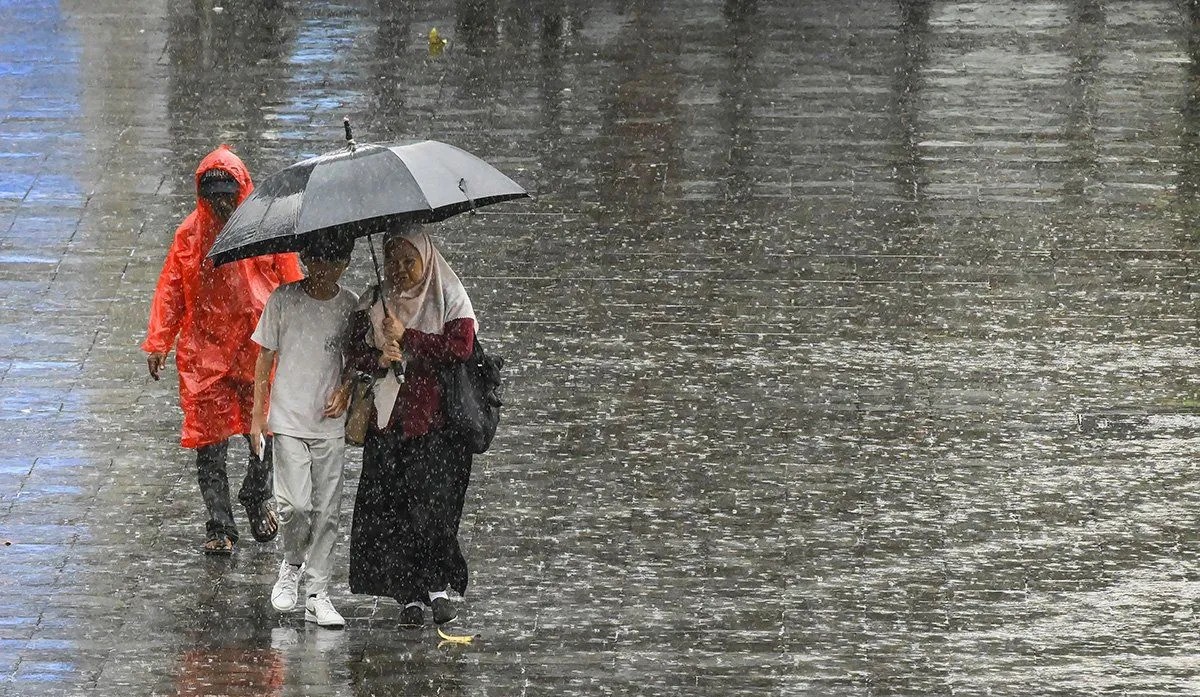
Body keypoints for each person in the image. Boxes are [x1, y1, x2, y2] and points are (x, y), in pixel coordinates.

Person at [142, 145, 304, 554]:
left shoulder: (263, 230)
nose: (220, 206)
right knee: (209, 441)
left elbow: (289, 278)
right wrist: (160, 340)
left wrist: (300, 329)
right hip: (206, 352)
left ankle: (257, 491)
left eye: (227, 197)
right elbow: (172, 289)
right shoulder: (191, 236)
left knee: (262, 426)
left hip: (255, 345)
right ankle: (220, 524)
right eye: (213, 197)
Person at [344, 222, 477, 627]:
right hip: (388, 424)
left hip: (438, 424)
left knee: (434, 508)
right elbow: (352, 354)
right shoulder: (374, 301)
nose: (400, 270)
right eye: (392, 261)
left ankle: (438, 586)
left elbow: (461, 347)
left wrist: (411, 337)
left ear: (427, 258)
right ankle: (409, 595)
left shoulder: (449, 294)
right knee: (394, 510)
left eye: (409, 261)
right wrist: (379, 356)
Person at [250, 232, 358, 629]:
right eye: (317, 260)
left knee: (327, 510)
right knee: (295, 505)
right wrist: (257, 415)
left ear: (345, 263)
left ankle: (317, 592)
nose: (324, 270)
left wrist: (345, 389)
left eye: (334, 261)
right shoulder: (283, 299)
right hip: (289, 418)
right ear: (305, 259)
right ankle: (292, 562)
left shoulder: (349, 306)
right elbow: (265, 357)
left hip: (329, 424)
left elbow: (355, 359)